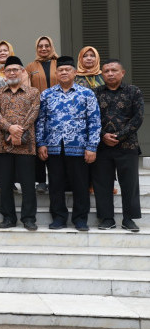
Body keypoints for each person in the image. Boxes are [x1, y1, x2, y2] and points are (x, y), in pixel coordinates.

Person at [36, 56, 101, 231]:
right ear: (56, 73)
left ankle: (80, 219)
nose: (64, 72)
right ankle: (58, 217)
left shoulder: (86, 94)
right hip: (53, 147)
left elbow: (94, 121)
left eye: (67, 70)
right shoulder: (47, 94)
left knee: (80, 184)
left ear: (74, 72)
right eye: (61, 70)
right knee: (55, 184)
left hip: (79, 147)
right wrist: (41, 143)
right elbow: (41, 120)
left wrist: (91, 146)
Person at [92, 59, 144, 232]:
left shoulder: (133, 91)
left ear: (122, 73)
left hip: (127, 145)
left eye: (114, 70)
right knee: (102, 184)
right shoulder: (95, 93)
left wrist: (120, 136)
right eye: (106, 71)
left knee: (130, 184)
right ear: (102, 74)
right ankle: (107, 219)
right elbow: (89, 118)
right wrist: (102, 136)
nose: (110, 73)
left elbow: (138, 117)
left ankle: (129, 219)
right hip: (102, 146)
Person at [0, 56, 40, 231]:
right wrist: (10, 128)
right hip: (2, 144)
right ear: (4, 73)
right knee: (6, 184)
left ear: (22, 71)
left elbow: (34, 113)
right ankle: (8, 217)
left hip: (26, 144)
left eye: (15, 70)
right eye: (8, 70)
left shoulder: (33, 92)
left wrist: (19, 131)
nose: (12, 73)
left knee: (28, 183)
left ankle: (29, 218)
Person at [0, 41, 29, 193]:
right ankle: (0, 181)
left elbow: (26, 89)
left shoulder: (21, 70)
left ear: (11, 52)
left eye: (5, 50)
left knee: (14, 149)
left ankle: (14, 181)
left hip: (16, 118)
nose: (2, 53)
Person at [25, 35, 59, 193]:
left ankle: (58, 179)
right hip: (38, 110)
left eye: (46, 45)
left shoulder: (59, 64)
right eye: (40, 46)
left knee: (56, 145)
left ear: (51, 46)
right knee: (39, 144)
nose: (44, 48)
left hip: (59, 110)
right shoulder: (31, 67)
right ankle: (40, 180)